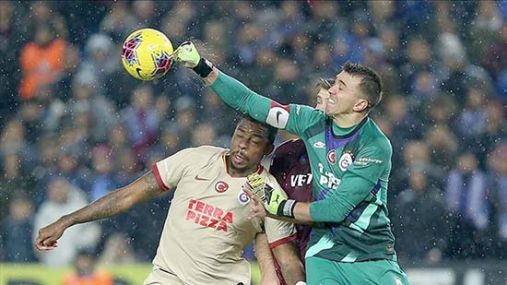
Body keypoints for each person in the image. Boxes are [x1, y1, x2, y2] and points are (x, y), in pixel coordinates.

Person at [173, 42, 409, 284]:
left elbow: (335, 210)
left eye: (341, 86)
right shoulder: (310, 121)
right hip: (325, 253)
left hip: (373, 254)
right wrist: (202, 67)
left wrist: (280, 207)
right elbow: (249, 101)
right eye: (336, 82)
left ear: (360, 105)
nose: (332, 90)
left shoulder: (374, 145)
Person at [35, 116, 305, 285]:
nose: (243, 144)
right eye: (240, 134)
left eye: (254, 140)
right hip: (167, 278)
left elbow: (286, 258)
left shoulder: (269, 192)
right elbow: (128, 195)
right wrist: (66, 220)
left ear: (268, 149)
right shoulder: (195, 159)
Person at [267, 78, 333, 284]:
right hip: (293, 257)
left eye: (327, 101)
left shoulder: (356, 153)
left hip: (336, 259)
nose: (317, 108)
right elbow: (270, 207)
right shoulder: (288, 153)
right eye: (317, 100)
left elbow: (337, 212)